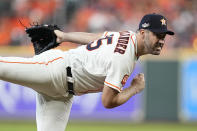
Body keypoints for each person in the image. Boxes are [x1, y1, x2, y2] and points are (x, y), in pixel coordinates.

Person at [0, 13, 174, 131]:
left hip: (61, 95)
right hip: (54, 70)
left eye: (164, 37)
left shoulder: (127, 35)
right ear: (143, 33)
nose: (161, 40)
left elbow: (96, 38)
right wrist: (134, 89)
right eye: (158, 35)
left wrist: (64, 36)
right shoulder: (124, 58)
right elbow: (107, 101)